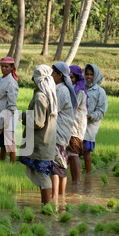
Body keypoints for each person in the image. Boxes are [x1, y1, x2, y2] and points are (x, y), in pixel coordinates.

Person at [18, 64, 58, 206]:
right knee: (42, 175)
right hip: (46, 142)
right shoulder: (49, 94)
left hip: (39, 143)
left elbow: (37, 122)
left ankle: (47, 207)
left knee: (42, 177)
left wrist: (22, 116)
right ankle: (46, 206)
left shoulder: (41, 96)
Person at [50, 62, 77, 210]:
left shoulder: (61, 91)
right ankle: (62, 196)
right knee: (61, 163)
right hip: (62, 131)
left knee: (55, 164)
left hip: (59, 131)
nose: (51, 75)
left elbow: (53, 110)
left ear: (60, 75)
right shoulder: (63, 89)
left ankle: (55, 197)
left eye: (53, 73)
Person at [0, 56, 19, 163]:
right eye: (2, 66)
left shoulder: (11, 83)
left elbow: (12, 104)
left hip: (8, 114)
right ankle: (1, 160)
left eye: (6, 67)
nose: (3, 68)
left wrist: (7, 120)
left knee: (9, 141)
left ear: (12, 68)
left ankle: (12, 163)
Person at [83, 63, 108, 173]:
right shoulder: (80, 87)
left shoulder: (100, 92)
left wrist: (90, 116)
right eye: (87, 74)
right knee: (73, 151)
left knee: (86, 151)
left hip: (90, 125)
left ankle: (87, 175)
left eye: (91, 74)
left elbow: (101, 111)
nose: (89, 77)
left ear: (96, 76)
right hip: (77, 123)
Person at [67, 65, 88, 184]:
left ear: (77, 78)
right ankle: (71, 180)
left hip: (76, 125)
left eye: (72, 77)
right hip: (69, 124)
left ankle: (77, 181)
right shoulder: (70, 88)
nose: (70, 79)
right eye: (68, 77)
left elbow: (72, 107)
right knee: (68, 153)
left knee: (73, 153)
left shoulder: (79, 90)